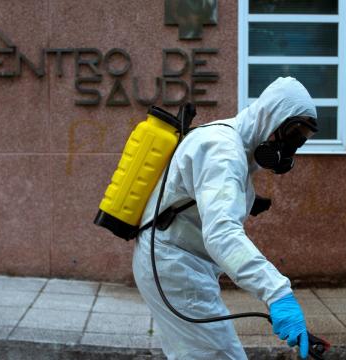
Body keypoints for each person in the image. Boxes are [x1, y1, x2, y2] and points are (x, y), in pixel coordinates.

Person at [132, 76, 318, 359]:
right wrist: (277, 293)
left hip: (177, 260)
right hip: (173, 266)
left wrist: (245, 198)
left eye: (300, 140)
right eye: (292, 133)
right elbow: (222, 234)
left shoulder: (232, 142)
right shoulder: (224, 151)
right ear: (271, 117)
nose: (290, 149)